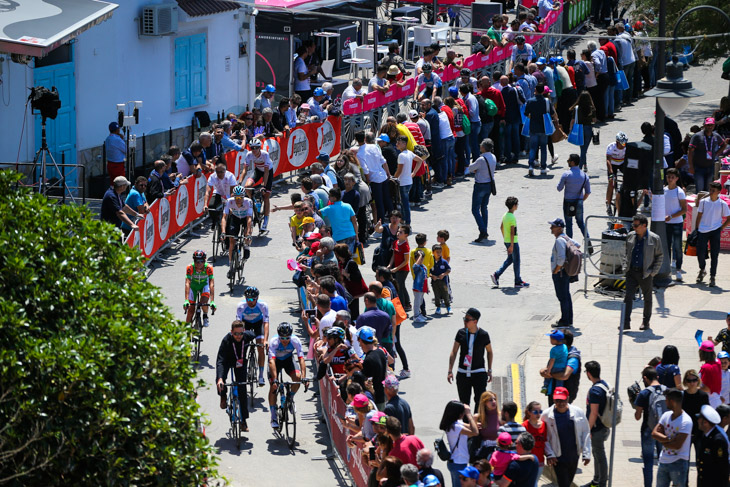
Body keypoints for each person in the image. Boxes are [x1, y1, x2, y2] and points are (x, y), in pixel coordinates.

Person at [542, 387, 591, 487]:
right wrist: (549, 454)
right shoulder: (546, 415)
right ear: (553, 399)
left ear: (568, 399)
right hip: (558, 458)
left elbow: (586, 432)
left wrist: (586, 453)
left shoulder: (578, 412)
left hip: (574, 456)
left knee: (568, 482)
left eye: (563, 400)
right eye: (557, 400)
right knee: (563, 484)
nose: (560, 403)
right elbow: (544, 437)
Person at [622, 214, 663, 331]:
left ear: (644, 225)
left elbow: (660, 256)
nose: (633, 228)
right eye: (633, 225)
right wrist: (626, 266)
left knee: (647, 298)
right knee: (628, 297)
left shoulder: (654, 238)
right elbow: (626, 253)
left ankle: (646, 322)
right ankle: (625, 323)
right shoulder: (630, 236)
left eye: (636, 225)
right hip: (631, 272)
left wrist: (653, 272)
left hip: (645, 273)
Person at [448, 308, 493, 410]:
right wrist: (450, 370)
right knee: (464, 404)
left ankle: (476, 424)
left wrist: (489, 370)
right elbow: (454, 351)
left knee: (480, 402)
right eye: (464, 319)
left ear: (475, 321)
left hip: (479, 373)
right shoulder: (461, 333)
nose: (465, 321)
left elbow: (489, 351)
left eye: (467, 320)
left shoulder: (483, 335)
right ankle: (467, 424)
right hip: (463, 373)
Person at [215, 320, 256, 431]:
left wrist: (262, 342)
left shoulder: (247, 336)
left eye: (241, 333)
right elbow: (220, 361)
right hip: (227, 361)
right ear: (231, 332)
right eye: (236, 334)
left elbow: (255, 332)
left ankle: (243, 421)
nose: (239, 336)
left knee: (242, 389)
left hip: (240, 362)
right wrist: (220, 378)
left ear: (244, 331)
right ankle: (223, 396)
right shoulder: (226, 340)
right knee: (220, 380)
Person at [633, 366, 668, 487]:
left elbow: (637, 416)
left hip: (648, 429)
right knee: (662, 461)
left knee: (648, 462)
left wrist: (636, 401)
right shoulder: (666, 390)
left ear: (645, 378)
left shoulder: (644, 393)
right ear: (657, 377)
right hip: (663, 429)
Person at [267, 322, 306, 429]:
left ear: (291, 336)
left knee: (297, 378)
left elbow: (301, 359)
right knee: (273, 386)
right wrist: (274, 379)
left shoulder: (295, 340)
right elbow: (271, 362)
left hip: (288, 360)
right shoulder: (274, 342)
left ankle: (290, 398)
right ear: (279, 336)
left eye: (287, 338)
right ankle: (273, 416)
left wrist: (304, 376)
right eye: (282, 338)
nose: (285, 340)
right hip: (275, 362)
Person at [652, 388, 692, 487]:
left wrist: (662, 439)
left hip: (678, 462)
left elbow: (677, 445)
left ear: (672, 402)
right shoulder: (666, 415)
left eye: (666, 400)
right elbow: (654, 433)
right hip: (663, 461)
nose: (665, 402)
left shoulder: (686, 421)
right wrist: (668, 439)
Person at [694, 181, 730, 287]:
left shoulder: (722, 204)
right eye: (710, 189)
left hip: (715, 231)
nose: (711, 192)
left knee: (715, 255)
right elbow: (699, 215)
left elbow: (728, 218)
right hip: (702, 230)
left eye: (713, 190)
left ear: (718, 192)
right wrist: (697, 228)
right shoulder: (704, 202)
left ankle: (712, 276)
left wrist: (721, 228)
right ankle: (702, 269)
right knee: (700, 253)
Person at [491, 196, 529, 288]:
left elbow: (501, 227)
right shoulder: (512, 217)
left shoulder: (505, 215)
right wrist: (511, 245)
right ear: (514, 206)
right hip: (513, 242)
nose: (517, 206)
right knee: (516, 260)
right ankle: (517, 281)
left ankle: (497, 274)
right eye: (517, 204)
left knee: (510, 259)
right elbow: (513, 232)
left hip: (507, 241)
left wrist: (505, 239)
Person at [549, 218, 580, 329]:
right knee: (566, 296)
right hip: (565, 272)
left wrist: (556, 270)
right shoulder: (566, 238)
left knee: (562, 296)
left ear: (559, 228)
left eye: (553, 226)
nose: (551, 228)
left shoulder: (559, 241)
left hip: (560, 273)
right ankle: (568, 319)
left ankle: (564, 321)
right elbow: (578, 245)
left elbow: (561, 259)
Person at [440, 400, 479, 487]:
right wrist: (469, 415)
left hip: (458, 461)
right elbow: (475, 432)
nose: (464, 414)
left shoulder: (455, 423)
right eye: (463, 412)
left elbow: (472, 427)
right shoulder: (455, 427)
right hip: (458, 463)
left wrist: (475, 421)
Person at [234, 286, 269, 385]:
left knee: (261, 347)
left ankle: (261, 376)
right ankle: (242, 371)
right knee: (242, 348)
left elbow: (266, 323)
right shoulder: (241, 306)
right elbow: (238, 324)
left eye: (252, 299)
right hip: (246, 325)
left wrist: (266, 340)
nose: (250, 301)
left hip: (258, 324)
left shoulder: (263, 305)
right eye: (247, 299)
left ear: (257, 298)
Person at [584, 361, 610, 487]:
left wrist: (588, 430)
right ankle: (596, 480)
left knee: (600, 455)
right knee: (596, 453)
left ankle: (602, 483)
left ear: (588, 373)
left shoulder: (595, 391)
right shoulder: (604, 384)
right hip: (604, 426)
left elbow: (593, 413)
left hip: (597, 428)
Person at [466, 138, 497, 243]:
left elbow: (470, 168)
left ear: (483, 147)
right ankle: (485, 230)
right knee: (484, 207)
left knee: (475, 209)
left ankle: (483, 230)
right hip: (489, 185)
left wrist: (475, 169)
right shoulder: (493, 157)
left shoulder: (481, 159)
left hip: (480, 185)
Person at [557, 154, 591, 243]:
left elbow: (559, 188)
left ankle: (569, 245)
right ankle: (588, 243)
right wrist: (581, 200)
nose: (567, 162)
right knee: (581, 223)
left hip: (568, 201)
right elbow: (588, 192)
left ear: (572, 162)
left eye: (568, 160)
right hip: (579, 201)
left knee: (568, 224)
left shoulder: (566, 174)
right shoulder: (584, 175)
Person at [220, 186, 253, 276]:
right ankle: (231, 266)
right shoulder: (229, 201)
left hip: (245, 219)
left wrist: (248, 234)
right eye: (236, 197)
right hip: (235, 218)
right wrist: (223, 232)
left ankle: (246, 247)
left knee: (247, 234)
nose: (238, 200)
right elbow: (224, 217)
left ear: (243, 196)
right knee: (231, 241)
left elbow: (249, 219)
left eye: (240, 197)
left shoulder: (248, 202)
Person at [688, 117, 727, 192]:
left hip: (710, 167)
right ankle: (699, 203)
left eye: (711, 125)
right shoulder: (697, 136)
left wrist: (716, 153)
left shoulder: (716, 136)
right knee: (700, 190)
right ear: (704, 125)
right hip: (698, 167)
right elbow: (690, 151)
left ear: (714, 126)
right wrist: (691, 166)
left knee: (708, 190)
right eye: (708, 125)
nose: (710, 127)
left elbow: (723, 144)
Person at [242, 138, 273, 231]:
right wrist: (240, 182)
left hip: (268, 172)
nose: (254, 150)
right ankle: (254, 202)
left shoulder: (265, 154)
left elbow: (266, 173)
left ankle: (266, 220)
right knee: (247, 187)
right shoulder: (249, 154)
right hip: (258, 170)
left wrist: (264, 186)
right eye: (252, 148)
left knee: (266, 195)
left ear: (259, 148)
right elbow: (245, 170)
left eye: (256, 148)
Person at [524, 84, 555, 177]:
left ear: (535, 90)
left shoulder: (530, 101)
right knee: (544, 148)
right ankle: (543, 168)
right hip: (544, 127)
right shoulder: (547, 101)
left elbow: (526, 113)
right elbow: (552, 113)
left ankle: (531, 166)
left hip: (533, 127)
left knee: (533, 147)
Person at [696, 404, 729, 486]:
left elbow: (722, 466)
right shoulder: (706, 435)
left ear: (705, 422)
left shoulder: (718, 440)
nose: (697, 421)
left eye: (699, 419)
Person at [663, 168, 687, 282]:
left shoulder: (679, 192)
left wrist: (671, 217)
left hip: (676, 223)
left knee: (677, 247)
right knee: (666, 247)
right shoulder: (663, 190)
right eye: (668, 177)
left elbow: (684, 209)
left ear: (677, 179)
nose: (670, 179)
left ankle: (678, 270)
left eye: (672, 177)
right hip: (666, 224)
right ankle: (667, 271)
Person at [394, 135, 423, 226]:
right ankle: (403, 220)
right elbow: (420, 160)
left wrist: (393, 178)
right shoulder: (409, 153)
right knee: (403, 203)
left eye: (399, 143)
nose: (397, 144)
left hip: (403, 183)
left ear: (404, 143)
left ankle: (407, 223)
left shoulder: (401, 155)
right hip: (409, 181)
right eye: (397, 142)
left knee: (405, 203)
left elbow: (399, 170)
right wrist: (413, 173)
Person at [358, 327, 388, 409]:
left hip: (375, 399)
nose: (360, 345)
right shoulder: (380, 352)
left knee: (377, 421)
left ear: (361, 341)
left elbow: (367, 381)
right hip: (383, 395)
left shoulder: (368, 359)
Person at [184, 250, 215, 327]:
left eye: (201, 261)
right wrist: (186, 300)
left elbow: (211, 284)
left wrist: (212, 301)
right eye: (196, 261)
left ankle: (205, 315)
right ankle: (187, 333)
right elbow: (187, 283)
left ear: (204, 261)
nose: (199, 263)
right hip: (193, 287)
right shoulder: (190, 268)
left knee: (204, 303)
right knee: (190, 310)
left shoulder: (209, 268)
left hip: (204, 286)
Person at [522, 401, 547, 483]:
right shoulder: (524, 426)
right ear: (529, 412)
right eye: (535, 412)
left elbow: (546, 441)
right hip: (528, 460)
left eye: (540, 411)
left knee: (535, 481)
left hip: (540, 460)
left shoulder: (544, 425)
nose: (538, 414)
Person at [541, 330, 568, 395]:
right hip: (562, 368)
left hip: (555, 367)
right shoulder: (565, 346)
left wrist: (548, 370)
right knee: (559, 381)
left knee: (547, 377)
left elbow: (552, 361)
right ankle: (559, 392)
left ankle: (545, 386)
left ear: (556, 340)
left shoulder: (554, 350)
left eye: (551, 339)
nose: (550, 340)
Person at [699, 340, 723, 408]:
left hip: (709, 403)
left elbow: (707, 389)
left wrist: (694, 387)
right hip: (717, 401)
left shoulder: (706, 368)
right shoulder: (718, 362)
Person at [431, 244, 451, 315]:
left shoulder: (444, 261)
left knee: (445, 294)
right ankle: (438, 307)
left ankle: (448, 307)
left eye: (440, 252)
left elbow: (449, 269)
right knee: (437, 295)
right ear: (433, 252)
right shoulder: (431, 261)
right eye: (437, 252)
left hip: (443, 282)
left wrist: (444, 274)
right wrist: (432, 276)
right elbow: (428, 271)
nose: (439, 254)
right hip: (435, 282)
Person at [411, 250, 428, 323]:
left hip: (422, 287)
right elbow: (415, 265)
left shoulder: (424, 267)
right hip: (417, 287)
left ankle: (419, 314)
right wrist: (420, 255)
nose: (421, 260)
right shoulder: (417, 267)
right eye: (419, 258)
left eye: (422, 258)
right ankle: (416, 316)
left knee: (420, 302)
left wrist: (427, 287)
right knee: (417, 303)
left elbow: (425, 277)